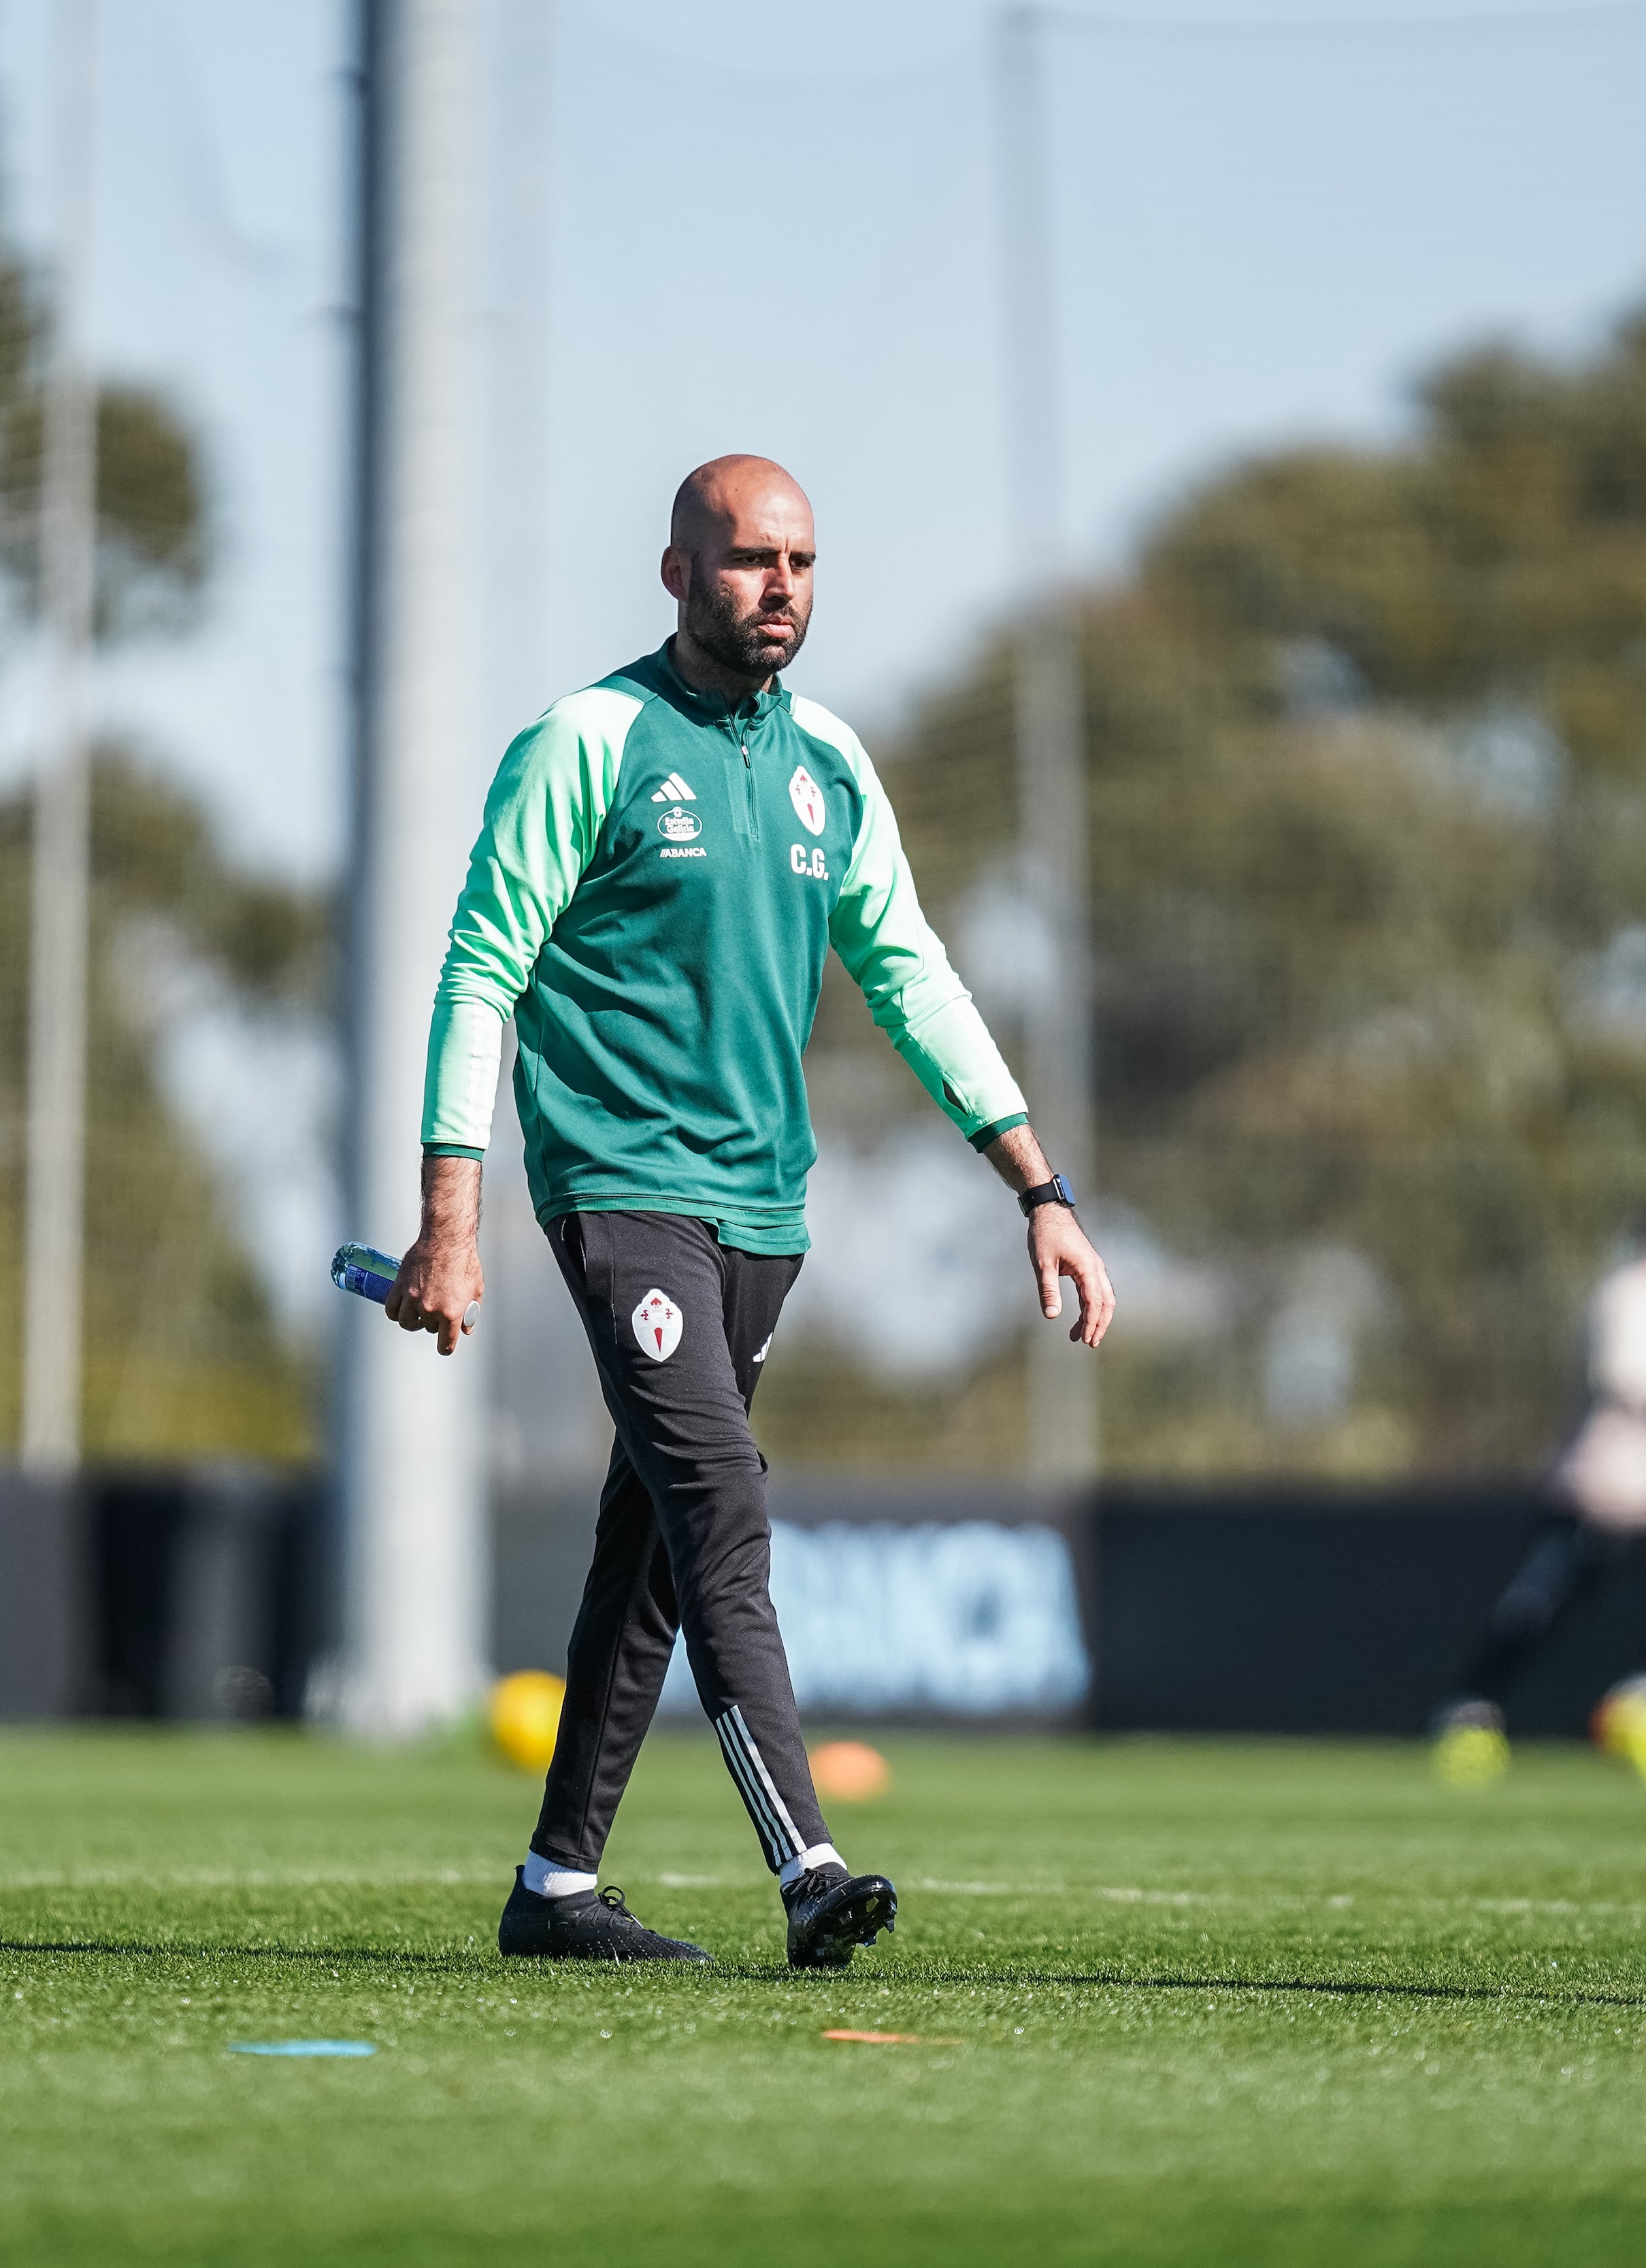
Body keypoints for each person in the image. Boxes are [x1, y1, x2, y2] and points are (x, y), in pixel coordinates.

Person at [386, 455, 1114, 1967]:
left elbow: (910, 972)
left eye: (797, 561)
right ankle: (808, 1866)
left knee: (648, 1548)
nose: (775, 585)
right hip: (620, 1190)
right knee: (720, 1504)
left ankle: (556, 1888)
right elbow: (479, 971)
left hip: (764, 1216)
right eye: (742, 561)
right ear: (674, 574)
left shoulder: (830, 763)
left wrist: (1036, 1186)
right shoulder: (584, 741)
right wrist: (448, 1216)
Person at [1429, 1205, 1646, 1788]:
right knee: (1540, 1609)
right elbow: (1632, 1384)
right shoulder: (1636, 1294)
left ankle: (1645, 1698)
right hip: (1598, 1488)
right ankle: (1468, 1708)